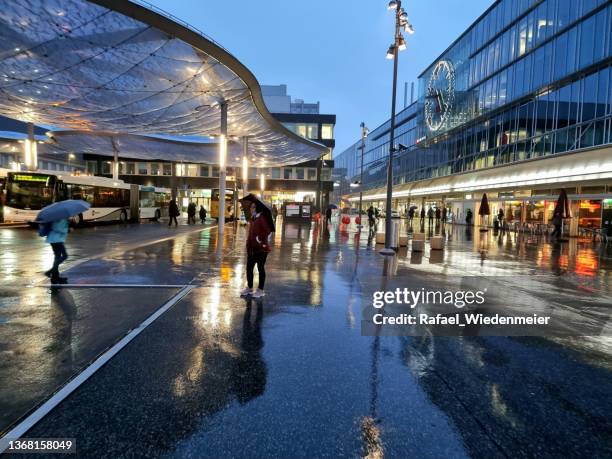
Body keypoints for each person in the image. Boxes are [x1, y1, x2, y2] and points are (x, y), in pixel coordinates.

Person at [241, 201, 273, 299]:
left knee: (260, 268)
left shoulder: (261, 218)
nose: (251, 209)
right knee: (249, 268)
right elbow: (251, 233)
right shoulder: (253, 219)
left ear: (257, 209)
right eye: (251, 207)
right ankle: (250, 288)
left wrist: (259, 238)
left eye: (254, 207)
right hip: (252, 248)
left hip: (261, 249)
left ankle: (260, 290)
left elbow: (268, 230)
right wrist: (248, 244)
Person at [44, 218, 69, 284]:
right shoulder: (60, 218)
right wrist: (68, 229)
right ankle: (50, 272)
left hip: (56, 239)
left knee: (57, 257)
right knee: (64, 256)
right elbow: (57, 228)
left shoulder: (61, 218)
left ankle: (55, 277)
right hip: (56, 240)